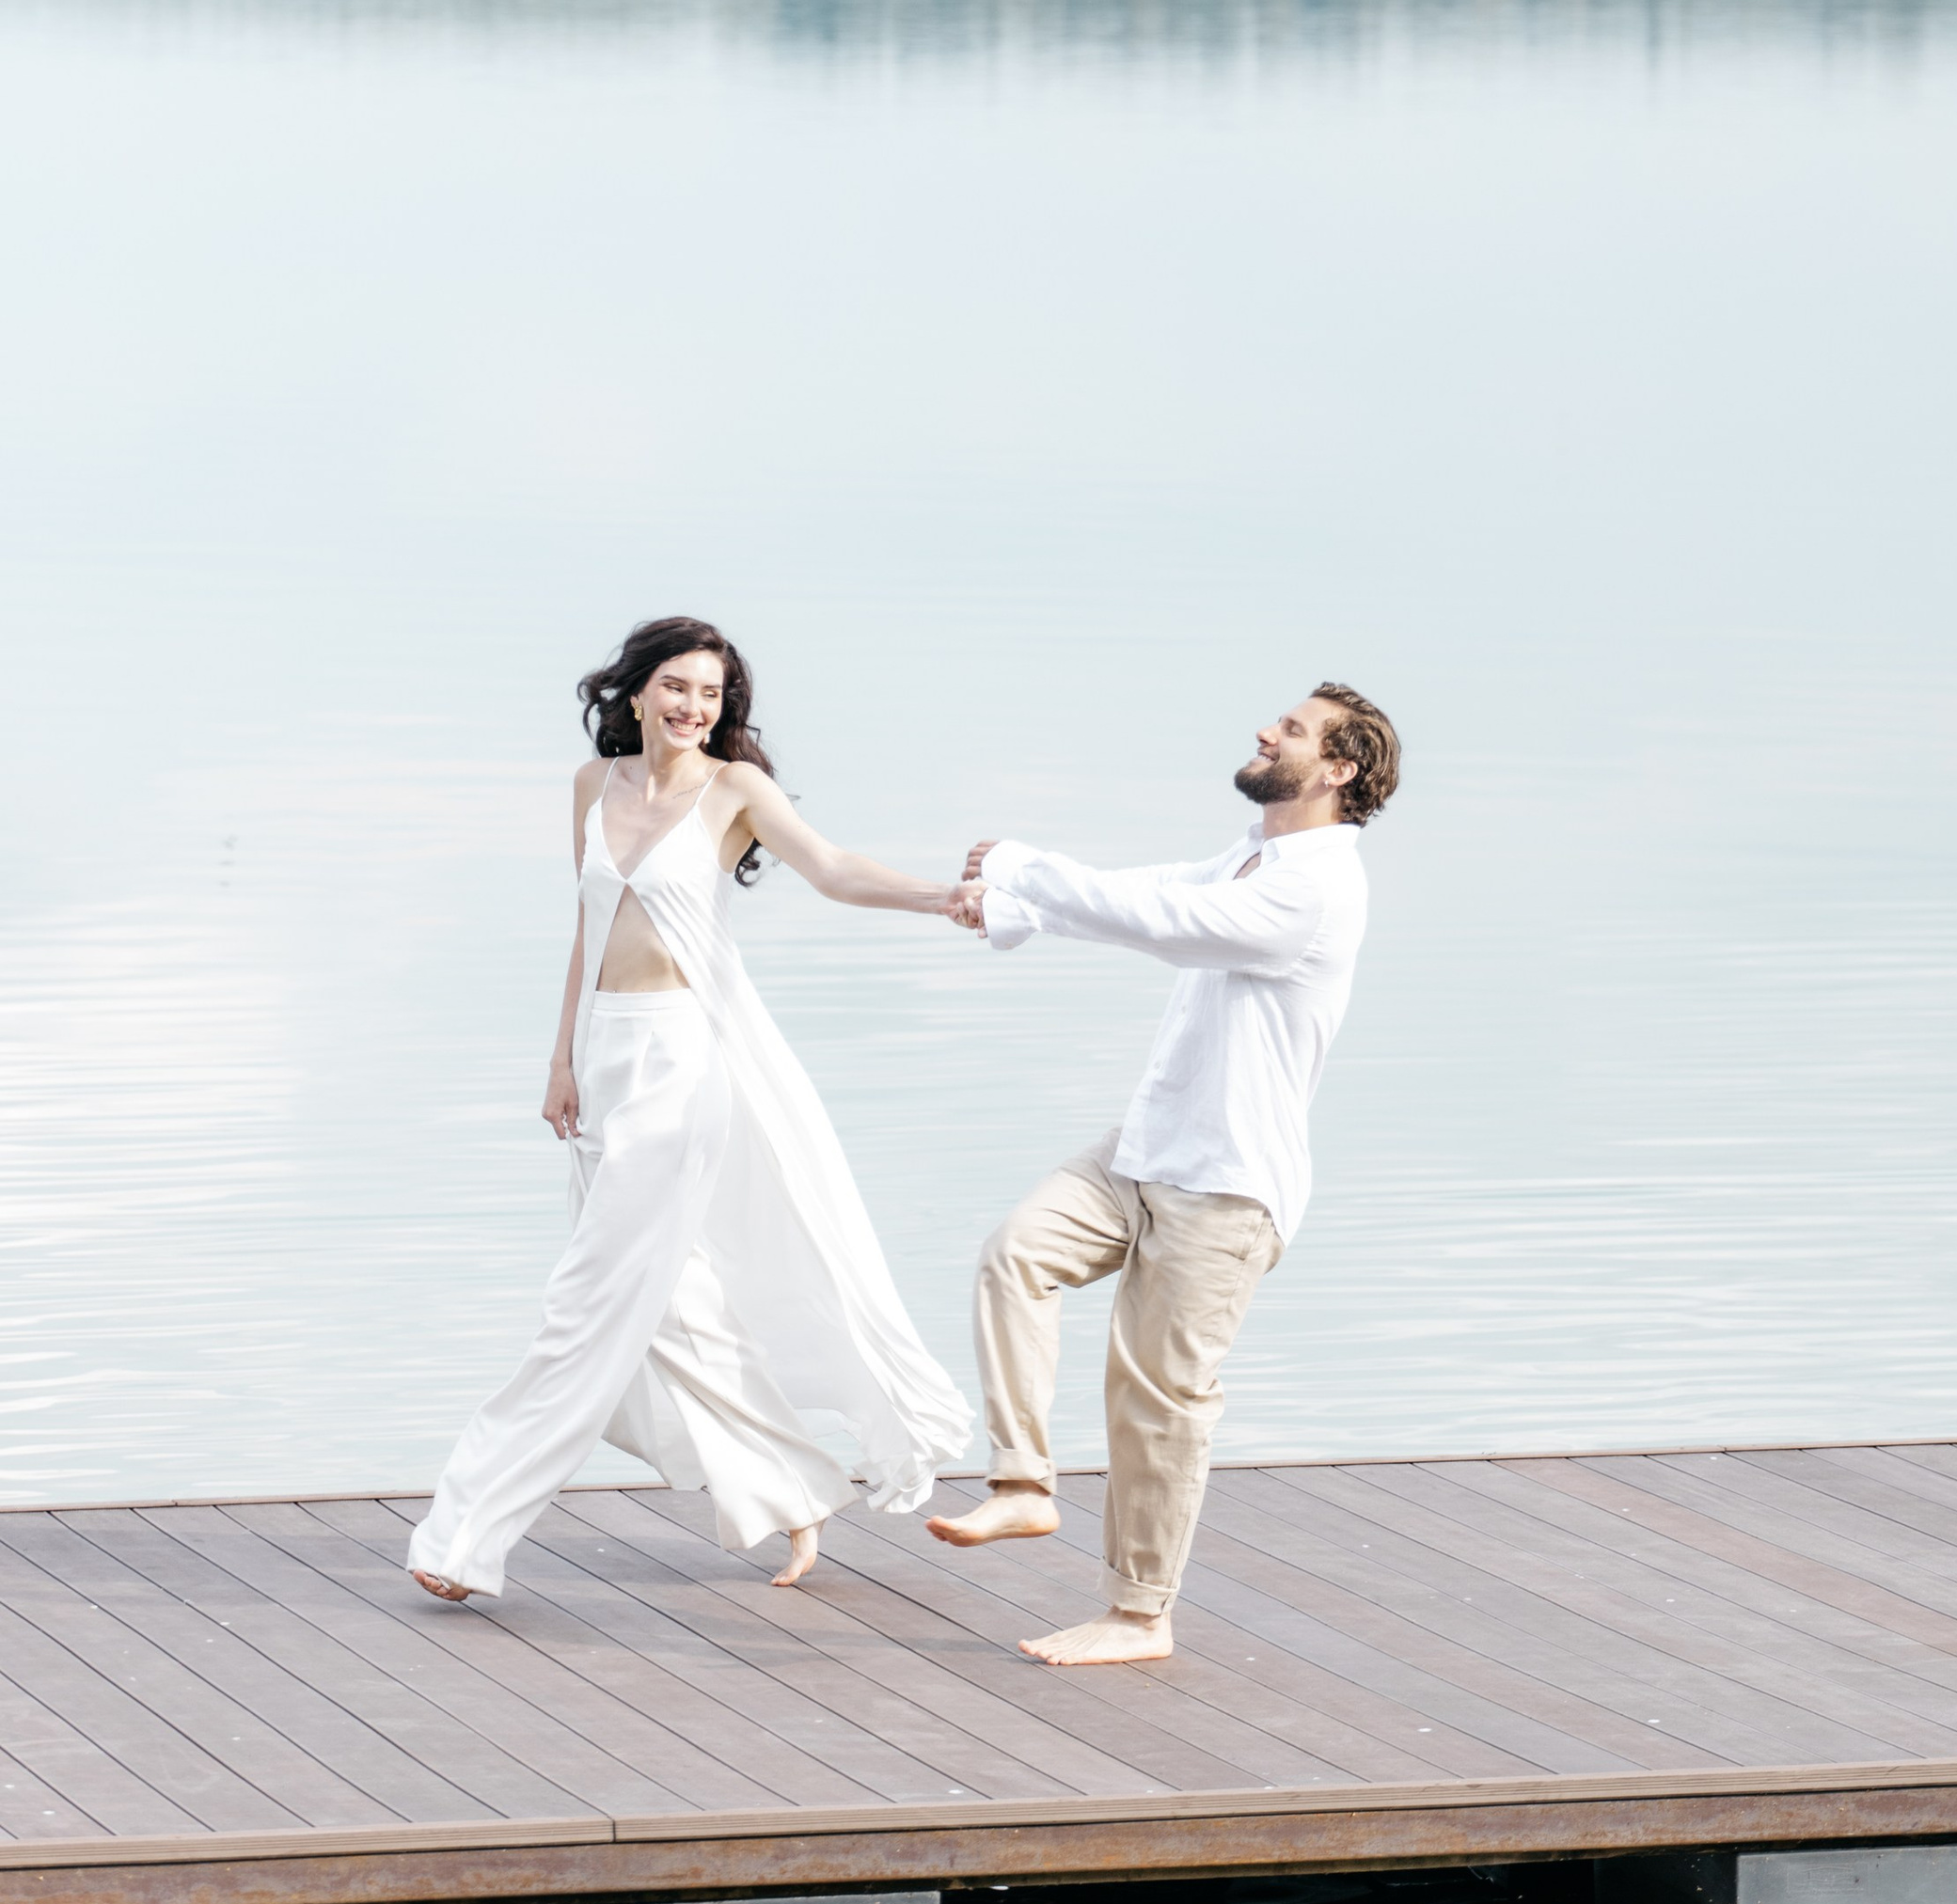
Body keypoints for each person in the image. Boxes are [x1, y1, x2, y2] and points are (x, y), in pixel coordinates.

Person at [408, 617, 972, 1603]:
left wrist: (946, 897)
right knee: (672, 1305)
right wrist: (560, 1059)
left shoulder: (735, 792)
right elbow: (587, 927)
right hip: (604, 1055)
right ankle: (787, 1489)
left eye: (710, 695)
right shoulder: (592, 785)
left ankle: (461, 1537)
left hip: (682, 1065)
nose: (691, 708)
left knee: (582, 1308)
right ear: (635, 692)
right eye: (676, 687)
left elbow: (833, 871)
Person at [930, 683, 1400, 1666]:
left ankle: (1139, 1616)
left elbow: (1161, 923)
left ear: (1338, 771)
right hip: (1145, 1150)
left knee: (1158, 1400)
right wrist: (1013, 906)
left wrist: (1026, 864)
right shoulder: (1253, 858)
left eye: (1294, 730)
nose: (1267, 731)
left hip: (1224, 1187)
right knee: (1014, 1256)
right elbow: (1150, 897)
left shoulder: (1311, 889)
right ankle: (1021, 1483)